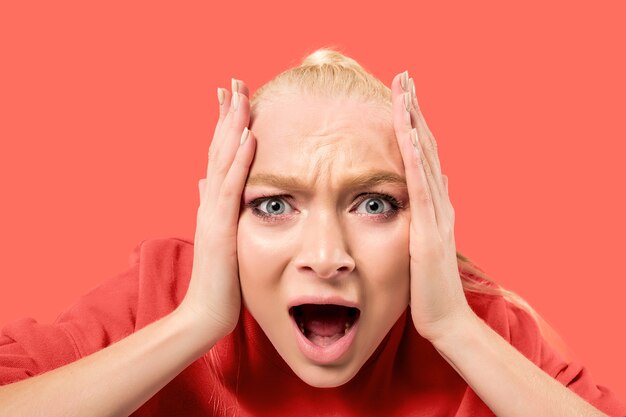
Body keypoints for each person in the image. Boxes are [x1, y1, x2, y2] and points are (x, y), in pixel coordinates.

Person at [0, 48, 624, 417]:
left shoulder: (484, 325)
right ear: (225, 217)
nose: (327, 257)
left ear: (428, 218)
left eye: (375, 203)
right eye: (274, 205)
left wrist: (455, 330)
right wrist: (195, 322)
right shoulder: (162, 294)